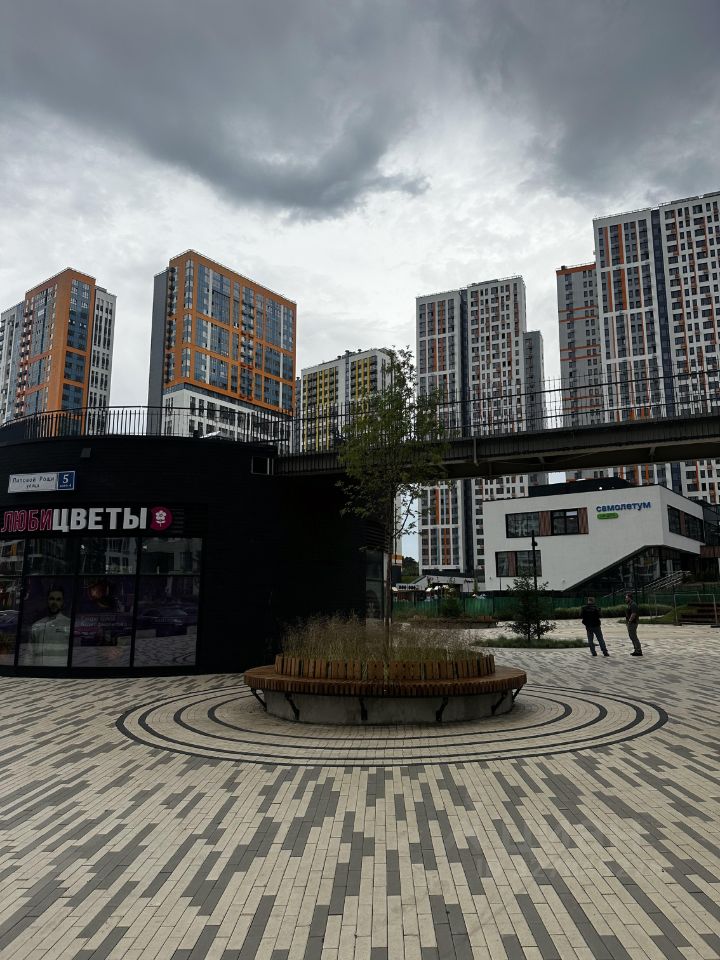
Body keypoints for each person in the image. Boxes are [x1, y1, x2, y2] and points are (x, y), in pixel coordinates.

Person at [30, 587, 71, 665]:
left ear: (62, 602)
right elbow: (30, 652)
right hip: (38, 670)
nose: (54, 602)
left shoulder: (68, 624)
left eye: (58, 599)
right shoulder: (36, 625)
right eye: (52, 599)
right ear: (47, 601)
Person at [625, 592, 643, 656]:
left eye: (626, 598)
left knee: (634, 636)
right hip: (630, 623)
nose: (625, 599)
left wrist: (629, 621)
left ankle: (638, 650)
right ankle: (636, 649)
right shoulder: (630, 604)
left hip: (633, 623)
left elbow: (633, 614)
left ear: (630, 598)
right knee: (631, 636)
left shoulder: (633, 604)